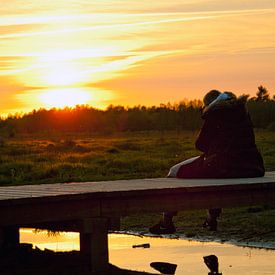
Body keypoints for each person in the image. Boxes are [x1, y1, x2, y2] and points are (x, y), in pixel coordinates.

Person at [149, 90, 265, 234]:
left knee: (174, 172)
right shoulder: (242, 113)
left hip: (222, 166)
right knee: (213, 178)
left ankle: (166, 222)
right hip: (251, 167)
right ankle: (211, 219)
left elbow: (201, 145)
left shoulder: (214, 113)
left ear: (208, 104)